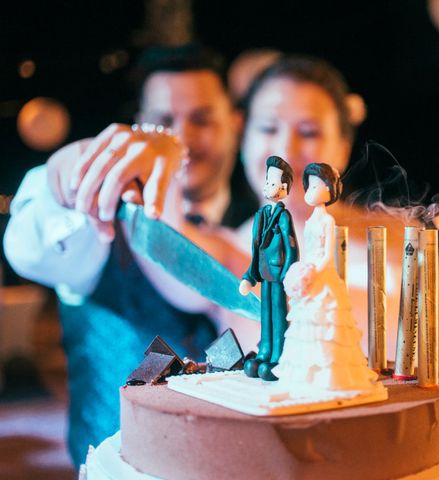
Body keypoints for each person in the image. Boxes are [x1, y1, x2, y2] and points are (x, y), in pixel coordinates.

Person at [234, 55, 439, 458]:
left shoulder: (397, 238)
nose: (286, 147)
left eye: (308, 130)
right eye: (268, 127)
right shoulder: (224, 248)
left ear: (342, 147)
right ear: (243, 138)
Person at [2, 44, 255, 467]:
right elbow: (27, 250)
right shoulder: (100, 226)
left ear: (234, 123)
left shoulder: (259, 227)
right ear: (139, 128)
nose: (182, 138)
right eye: (163, 122)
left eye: (202, 119)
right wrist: (68, 172)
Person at [276, 162, 378, 392]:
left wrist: (313, 270)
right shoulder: (311, 220)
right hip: (309, 273)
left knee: (327, 324)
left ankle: (330, 375)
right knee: (306, 326)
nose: (311, 191)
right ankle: (309, 373)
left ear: (330, 189)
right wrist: (301, 269)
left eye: (316, 186)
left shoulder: (327, 221)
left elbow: (326, 256)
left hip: (321, 275)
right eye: (309, 186)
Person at [239, 155, 298, 381]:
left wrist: (287, 275)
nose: (267, 186)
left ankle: (278, 356)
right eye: (267, 181)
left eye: (273, 183)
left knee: (279, 316)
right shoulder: (261, 215)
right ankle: (265, 352)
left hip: (279, 276)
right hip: (264, 274)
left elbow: (291, 247)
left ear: (284, 188)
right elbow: (256, 250)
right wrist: (250, 276)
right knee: (265, 315)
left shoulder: (283, 216)